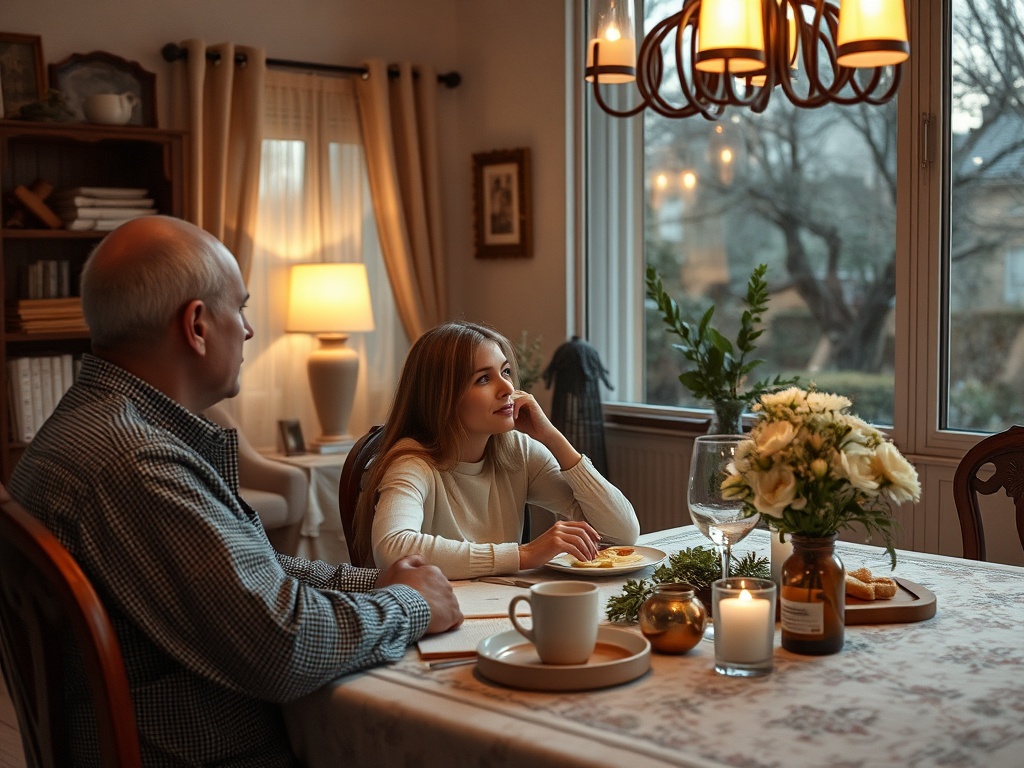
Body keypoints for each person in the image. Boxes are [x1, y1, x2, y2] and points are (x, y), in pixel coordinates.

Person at [8, 216, 462, 767]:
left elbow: (252, 571)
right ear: (197, 325)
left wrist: (374, 581)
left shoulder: (89, 428)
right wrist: (409, 605)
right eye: (240, 309)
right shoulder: (135, 463)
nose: (247, 331)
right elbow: (284, 647)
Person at [357, 321, 640, 580]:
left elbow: (621, 533)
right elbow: (392, 548)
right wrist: (523, 554)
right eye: (483, 379)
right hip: (435, 621)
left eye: (505, 372)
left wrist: (552, 437)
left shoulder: (517, 451)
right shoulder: (412, 463)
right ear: (442, 397)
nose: (507, 387)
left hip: (502, 605)